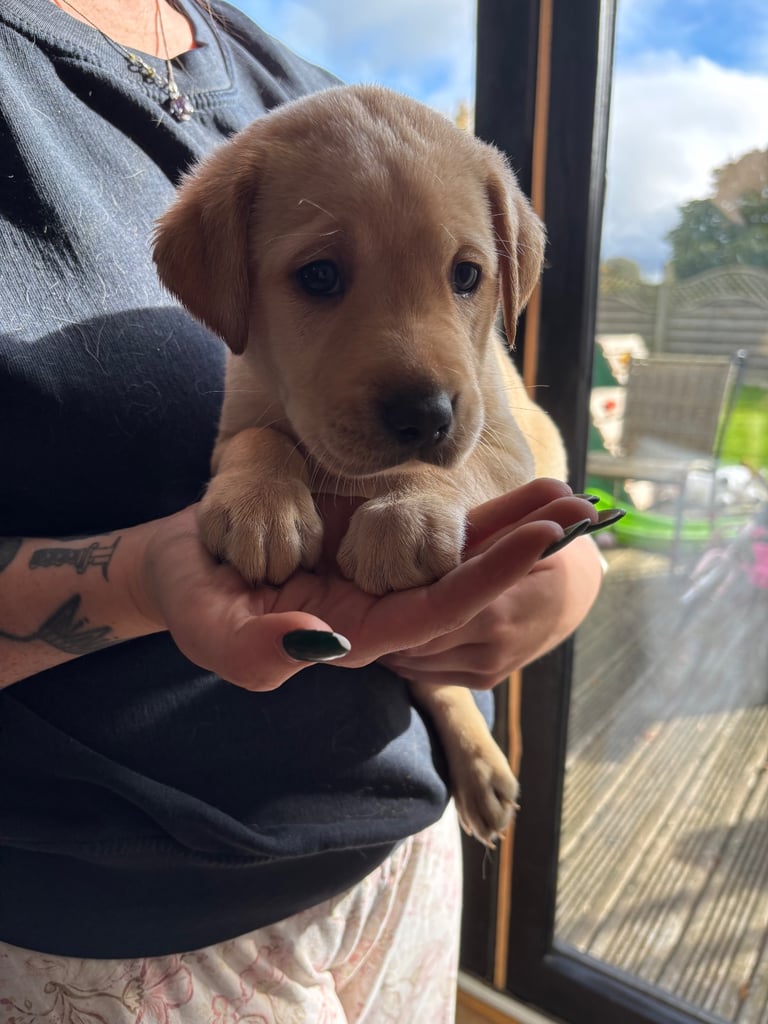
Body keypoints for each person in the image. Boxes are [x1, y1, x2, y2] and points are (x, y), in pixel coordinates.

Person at [0, 0, 604, 1019]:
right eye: (321, 276)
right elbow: (254, 429)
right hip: (140, 923)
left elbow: (510, 429)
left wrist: (562, 571)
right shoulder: (232, 187)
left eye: (466, 276)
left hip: (400, 851)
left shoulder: (295, 82)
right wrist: (149, 570)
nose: (420, 365)